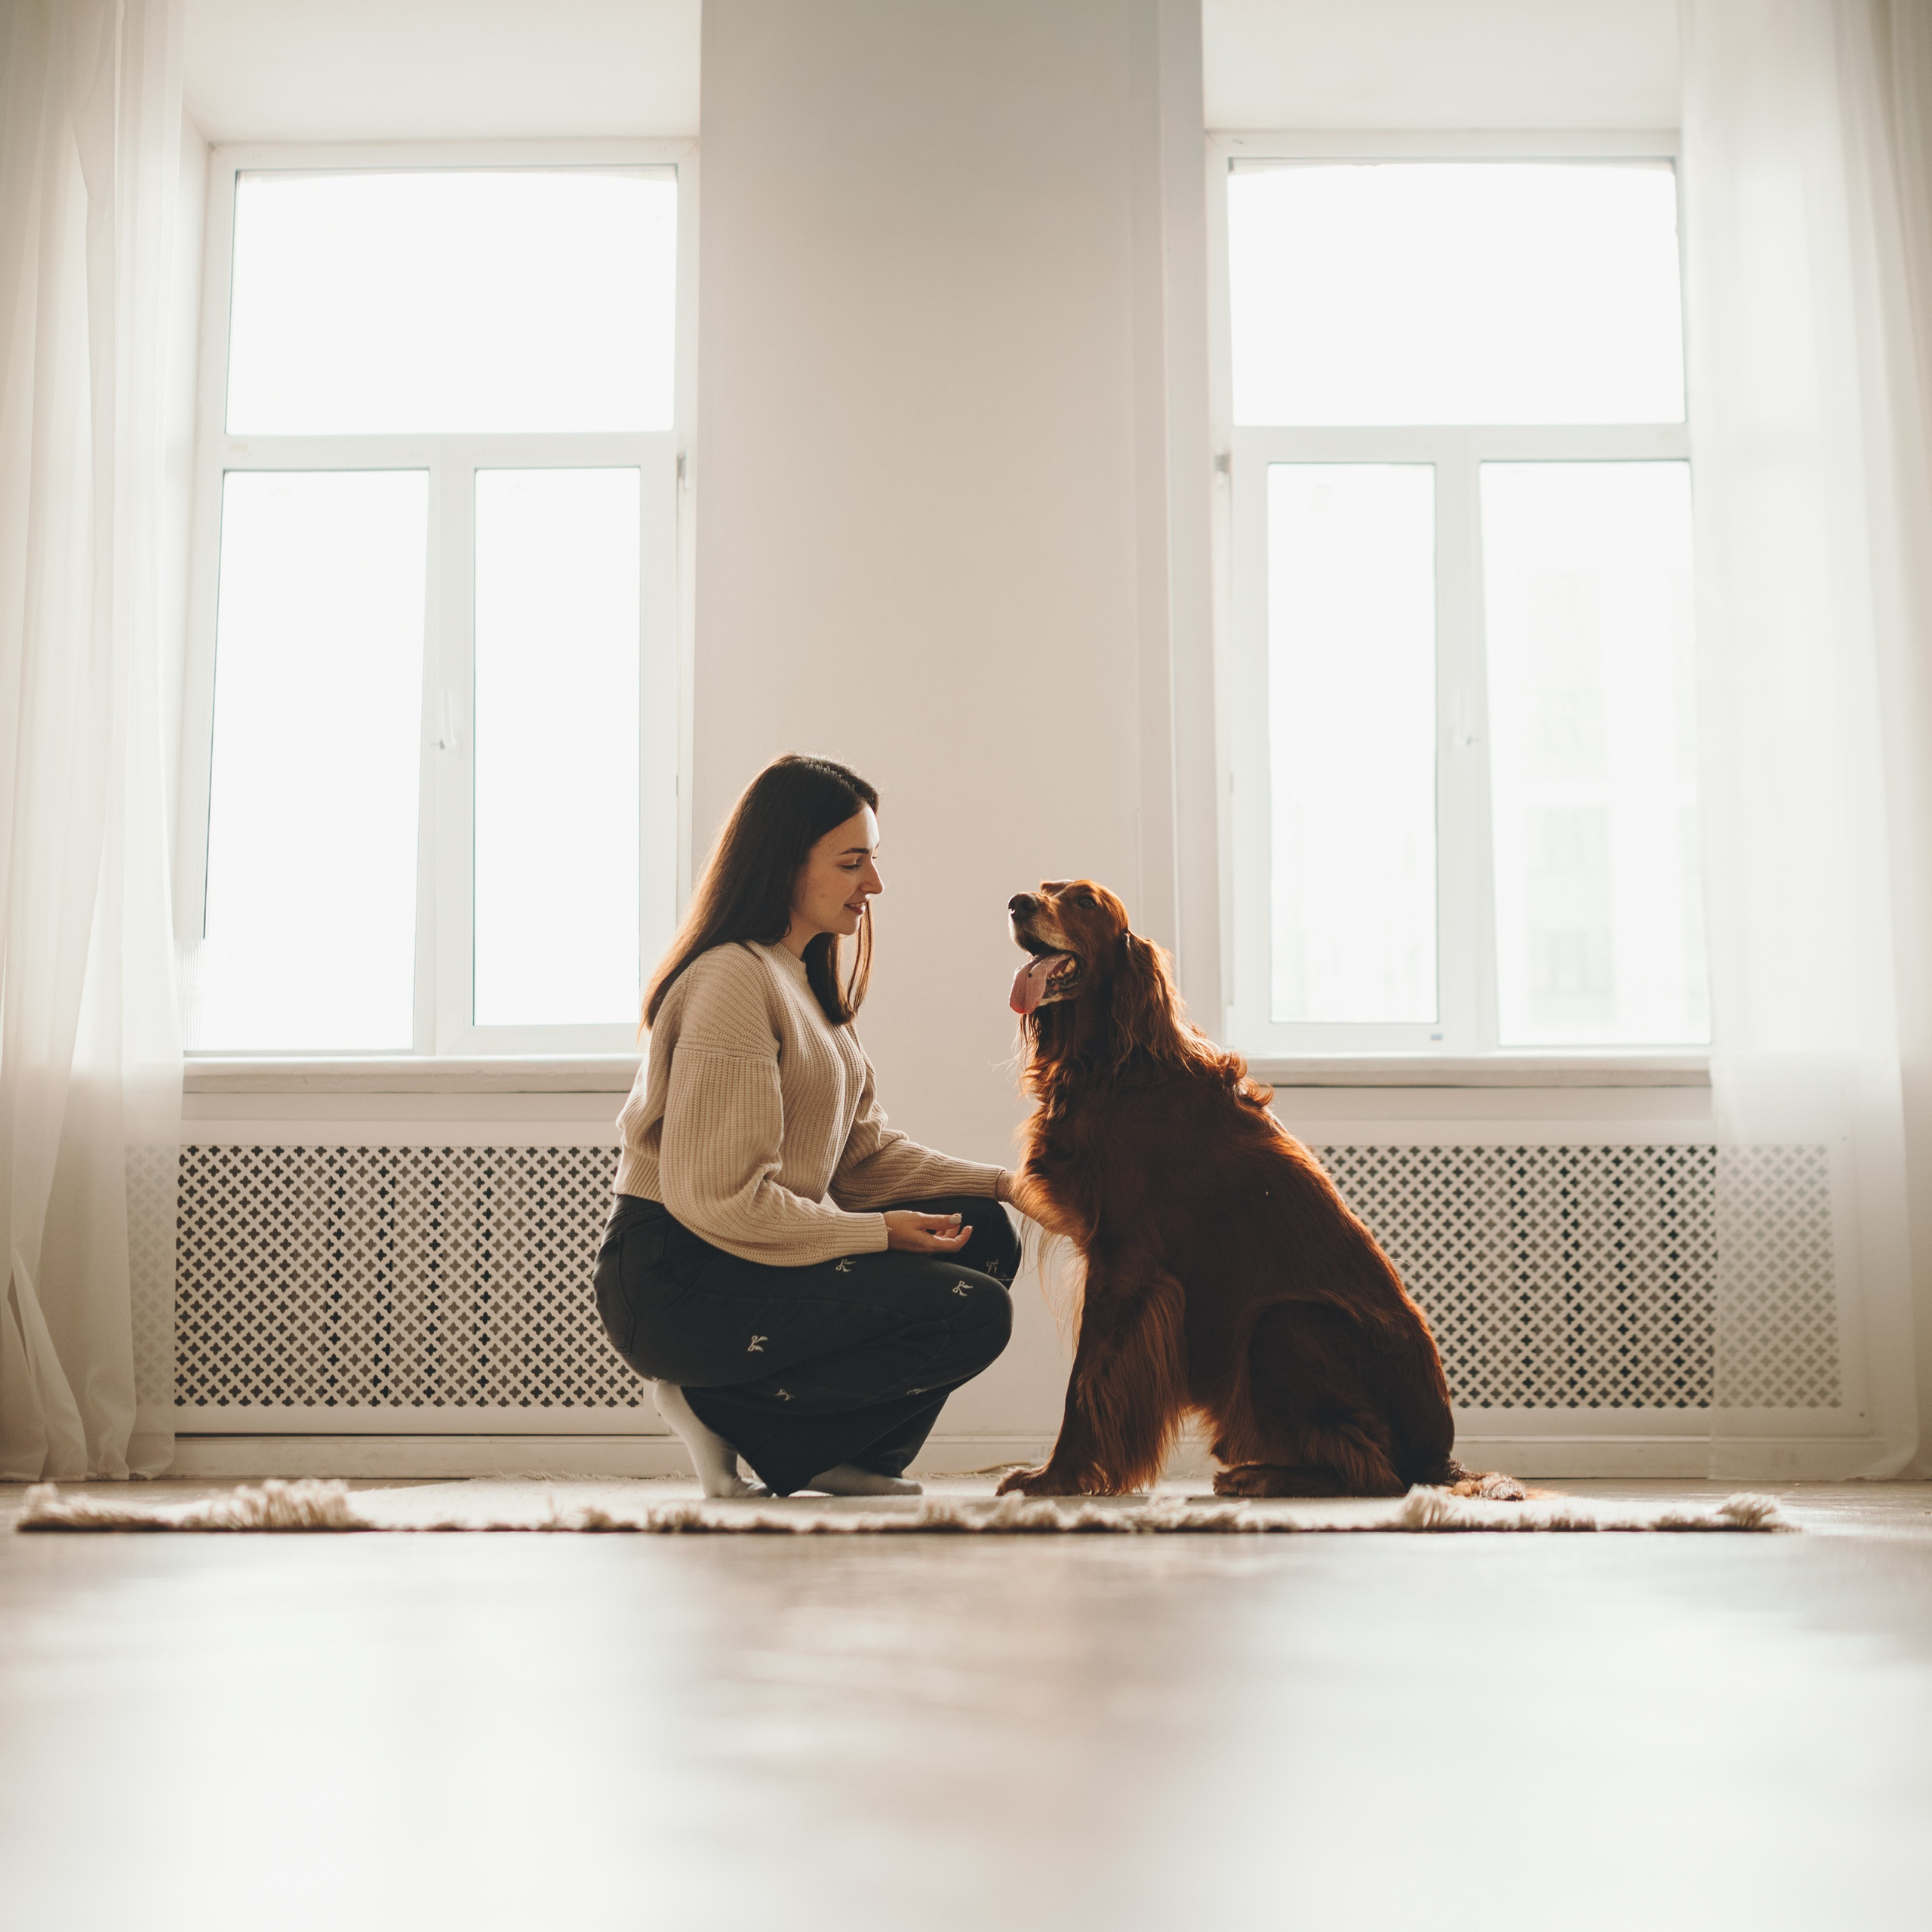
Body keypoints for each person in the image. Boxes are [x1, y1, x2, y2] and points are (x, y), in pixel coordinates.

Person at [594, 754, 1021, 1497]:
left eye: (873, 860)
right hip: (680, 1274)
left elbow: (860, 1161)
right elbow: (721, 1200)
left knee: (982, 1230)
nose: (874, 885)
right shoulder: (731, 979)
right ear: (783, 861)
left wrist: (1010, 1184)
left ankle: (811, 1448)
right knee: (974, 1311)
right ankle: (712, 1401)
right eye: (852, 861)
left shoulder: (803, 981)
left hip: (743, 1256)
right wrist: (882, 1233)